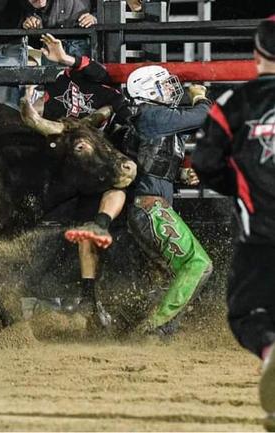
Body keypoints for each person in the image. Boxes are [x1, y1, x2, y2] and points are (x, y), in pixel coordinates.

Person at [192, 15, 275, 428]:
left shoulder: (236, 104)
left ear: (258, 53)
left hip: (260, 232)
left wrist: (237, 185)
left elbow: (204, 163)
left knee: (248, 315)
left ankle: (270, 352)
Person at [34, 33, 133, 325]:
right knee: (80, 233)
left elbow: (99, 72)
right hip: (70, 177)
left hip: (101, 175)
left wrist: (67, 60)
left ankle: (92, 299)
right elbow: (41, 117)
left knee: (92, 226)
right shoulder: (56, 87)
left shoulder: (109, 91)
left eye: (73, 61)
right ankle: (86, 300)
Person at [118, 65, 213, 335]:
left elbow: (151, 161)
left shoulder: (150, 118)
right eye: (164, 85)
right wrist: (200, 97)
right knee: (198, 265)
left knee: (166, 276)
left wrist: (179, 173)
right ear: (149, 91)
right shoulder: (152, 116)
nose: (172, 90)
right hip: (150, 209)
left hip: (149, 208)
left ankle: (147, 329)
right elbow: (206, 115)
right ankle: (155, 329)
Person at [22, 0, 97, 58]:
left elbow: (103, 5)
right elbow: (35, 9)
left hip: (81, 40)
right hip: (51, 43)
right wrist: (33, 22)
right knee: (51, 76)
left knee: (82, 75)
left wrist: (94, 17)